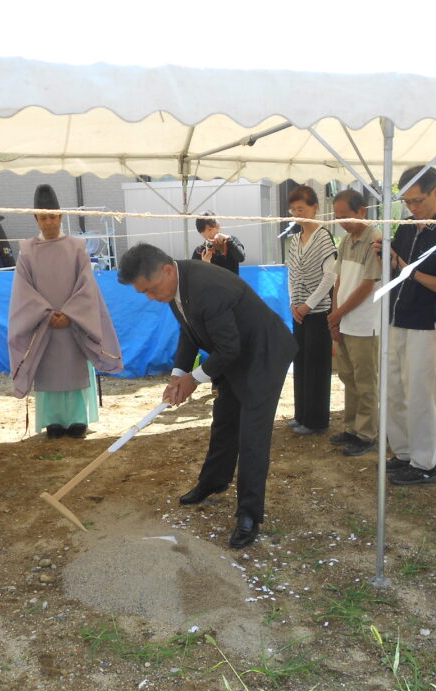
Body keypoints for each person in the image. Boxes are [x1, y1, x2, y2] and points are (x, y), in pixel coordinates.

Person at [117, 243, 296, 549]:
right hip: (233, 353)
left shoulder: (207, 286)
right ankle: (213, 482)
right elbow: (190, 332)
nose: (150, 297)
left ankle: (249, 514)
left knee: (252, 435)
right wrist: (178, 375)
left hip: (263, 354)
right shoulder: (174, 285)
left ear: (166, 270)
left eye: (150, 289)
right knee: (224, 419)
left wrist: (193, 380)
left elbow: (229, 348)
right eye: (143, 293)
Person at [8, 184, 123, 439]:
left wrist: (70, 314)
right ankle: (53, 421)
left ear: (60, 216)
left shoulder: (77, 247)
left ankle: (78, 419)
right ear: (35, 219)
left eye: (53, 216)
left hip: (74, 325)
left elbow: (86, 285)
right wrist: (46, 315)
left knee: (74, 369)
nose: (49, 222)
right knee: (48, 371)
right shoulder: (26, 251)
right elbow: (23, 291)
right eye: (43, 218)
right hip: (43, 326)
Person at [379, 166, 436, 485]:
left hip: (424, 323)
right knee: (394, 390)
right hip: (395, 317)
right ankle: (403, 452)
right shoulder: (406, 226)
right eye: (407, 201)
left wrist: (406, 269)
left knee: (420, 395)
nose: (412, 207)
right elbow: (395, 269)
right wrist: (387, 257)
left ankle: (425, 462)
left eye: (418, 200)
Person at [327, 189, 381, 457]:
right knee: (348, 376)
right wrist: (335, 315)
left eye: (346, 216)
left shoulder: (375, 239)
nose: (342, 222)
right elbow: (338, 280)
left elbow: (368, 285)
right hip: (345, 320)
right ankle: (351, 427)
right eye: (338, 217)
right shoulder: (347, 240)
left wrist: (338, 314)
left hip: (365, 323)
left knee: (365, 380)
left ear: (362, 211)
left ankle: (367, 433)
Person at [285, 185, 338, 436]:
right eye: (294, 210)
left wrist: (308, 305)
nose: (297, 214)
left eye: (301, 209)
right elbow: (291, 273)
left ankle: (316, 420)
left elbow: (329, 277)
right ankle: (302, 414)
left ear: (315, 208)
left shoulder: (324, 236)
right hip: (299, 312)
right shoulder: (295, 239)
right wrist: (293, 303)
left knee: (316, 366)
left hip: (318, 312)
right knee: (301, 363)